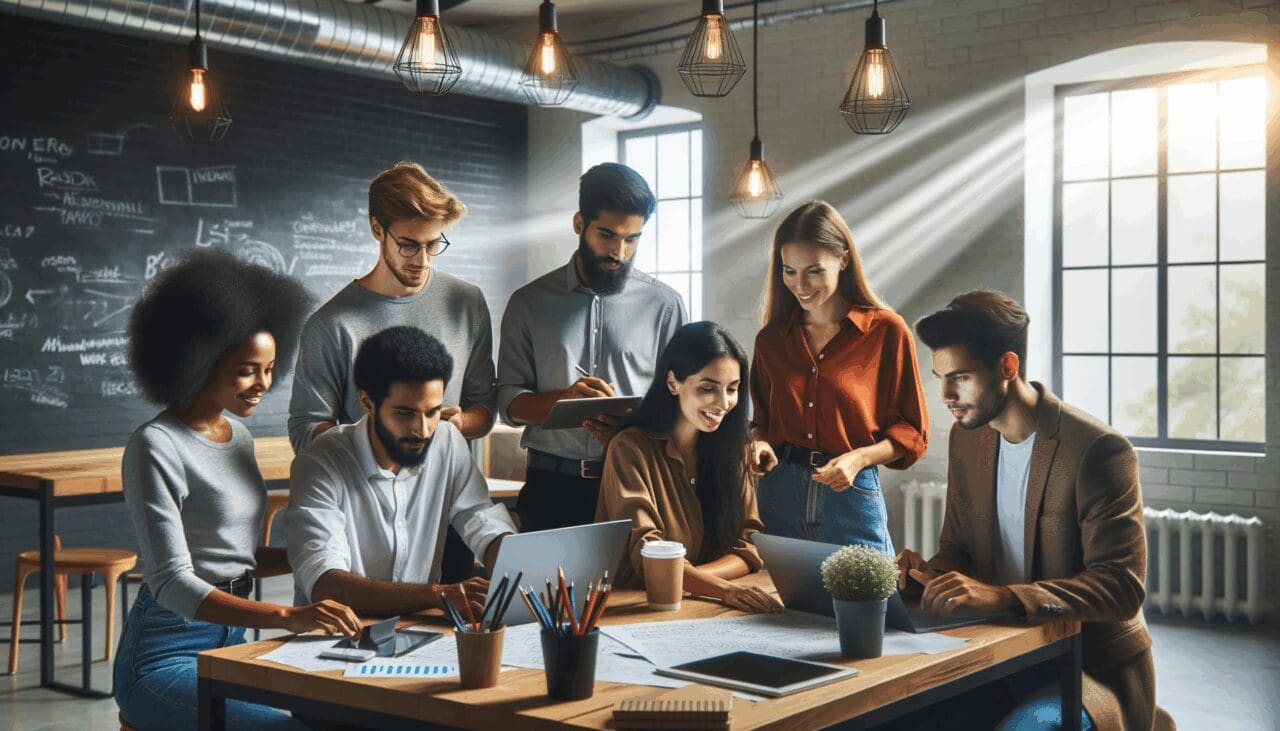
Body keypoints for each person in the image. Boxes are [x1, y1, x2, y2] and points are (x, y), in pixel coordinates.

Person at [898, 290, 1172, 731]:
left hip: (1083, 669)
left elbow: (1121, 588)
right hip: (993, 655)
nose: (946, 394)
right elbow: (958, 547)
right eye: (940, 377)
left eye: (961, 377)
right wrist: (929, 575)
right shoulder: (967, 438)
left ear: (1008, 366)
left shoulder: (1098, 451)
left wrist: (1004, 597)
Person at [116, 251, 361, 731]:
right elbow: (171, 582)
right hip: (165, 657)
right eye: (248, 369)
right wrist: (290, 615)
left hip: (236, 645)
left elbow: (239, 556)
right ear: (200, 360)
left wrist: (315, 557)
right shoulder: (155, 445)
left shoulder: (239, 437)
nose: (262, 386)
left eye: (270, 369)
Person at [288, 161, 496, 581]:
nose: (421, 259)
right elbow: (306, 430)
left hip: (443, 506)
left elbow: (485, 407)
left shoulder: (467, 302)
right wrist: (378, 446)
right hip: (363, 515)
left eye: (433, 244)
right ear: (376, 229)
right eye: (408, 244)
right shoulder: (332, 325)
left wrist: (456, 424)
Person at [497, 163, 686, 532]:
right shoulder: (528, 303)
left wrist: (635, 426)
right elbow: (507, 404)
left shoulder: (666, 305)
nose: (619, 251)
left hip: (637, 482)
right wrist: (562, 400)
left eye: (633, 238)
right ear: (579, 223)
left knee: (637, 592)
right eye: (607, 234)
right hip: (551, 488)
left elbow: (681, 401)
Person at [285, 326, 517, 617]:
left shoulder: (447, 442)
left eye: (432, 412)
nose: (422, 430)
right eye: (405, 413)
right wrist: (438, 595)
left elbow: (480, 518)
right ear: (367, 402)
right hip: (335, 639)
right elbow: (326, 584)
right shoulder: (320, 463)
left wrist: (515, 562)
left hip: (415, 632)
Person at [748, 201, 928, 553]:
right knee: (787, 606)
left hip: (851, 494)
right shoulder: (770, 340)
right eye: (789, 271)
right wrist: (759, 444)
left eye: (814, 271)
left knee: (873, 605)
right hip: (779, 491)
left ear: (843, 259)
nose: (800, 285)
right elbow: (763, 423)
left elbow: (912, 433)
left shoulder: (886, 332)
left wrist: (859, 458)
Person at [596, 322, 783, 614]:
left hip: (699, 603)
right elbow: (651, 557)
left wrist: (695, 581)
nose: (723, 403)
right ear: (673, 383)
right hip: (639, 607)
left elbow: (748, 546)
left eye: (732, 389)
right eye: (708, 388)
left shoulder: (734, 448)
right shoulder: (629, 448)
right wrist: (725, 590)